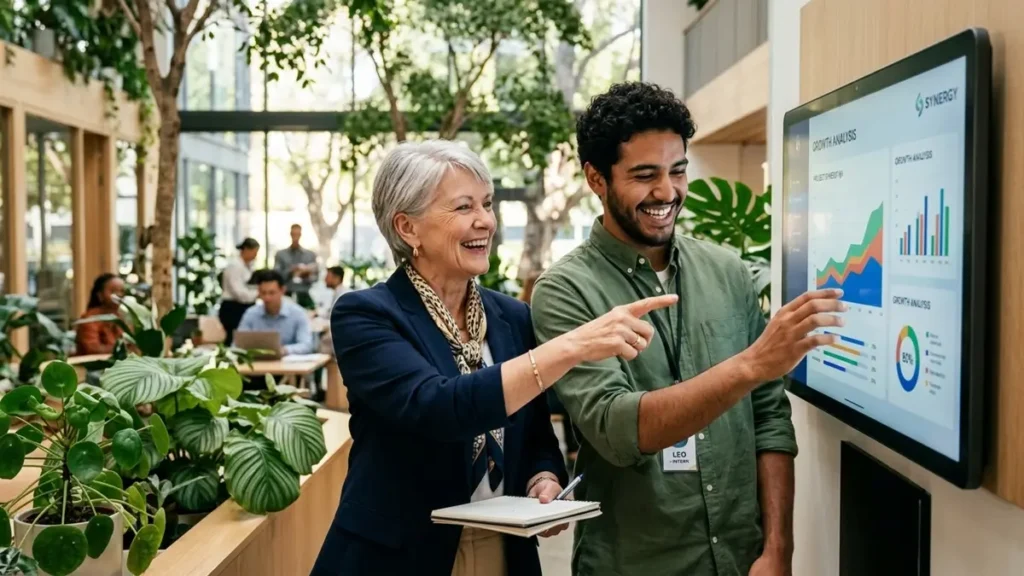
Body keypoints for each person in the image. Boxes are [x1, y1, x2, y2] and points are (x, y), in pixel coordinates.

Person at [310, 140, 676, 576]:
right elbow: (439, 407)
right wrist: (572, 345)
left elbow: (536, 433)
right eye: (464, 207)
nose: (486, 220)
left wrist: (544, 478)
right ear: (407, 228)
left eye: (487, 203)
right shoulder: (366, 315)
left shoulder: (512, 317)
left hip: (504, 550)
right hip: (398, 554)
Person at [530, 82, 846, 576]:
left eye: (677, 171)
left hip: (740, 559)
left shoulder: (727, 271)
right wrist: (751, 365)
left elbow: (768, 416)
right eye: (644, 175)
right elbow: (617, 429)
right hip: (634, 564)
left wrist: (778, 549)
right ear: (596, 178)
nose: (667, 192)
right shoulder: (565, 291)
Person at [237, 269, 316, 356]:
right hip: (258, 363)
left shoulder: (297, 313)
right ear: (258, 292)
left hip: (289, 362)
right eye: (263, 293)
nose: (267, 298)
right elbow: (237, 345)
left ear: (282, 290)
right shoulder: (251, 314)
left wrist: (284, 350)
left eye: (272, 293)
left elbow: (306, 345)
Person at [219, 237, 261, 345]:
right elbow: (238, 292)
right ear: (246, 250)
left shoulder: (248, 266)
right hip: (233, 308)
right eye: (254, 252)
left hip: (244, 306)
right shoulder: (234, 266)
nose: (255, 256)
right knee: (233, 339)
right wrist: (257, 294)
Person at [76, 273, 126, 355]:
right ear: (100, 295)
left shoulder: (122, 317)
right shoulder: (89, 319)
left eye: (122, 291)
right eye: (113, 291)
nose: (119, 295)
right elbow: (92, 349)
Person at [273, 224, 319, 309]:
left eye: (298, 234)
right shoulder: (281, 255)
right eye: (293, 234)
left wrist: (306, 275)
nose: (295, 237)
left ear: (301, 234)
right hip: (286, 294)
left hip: (304, 294)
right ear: (290, 234)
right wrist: (291, 271)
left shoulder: (310, 255)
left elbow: (316, 277)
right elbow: (276, 276)